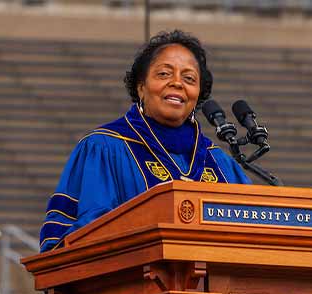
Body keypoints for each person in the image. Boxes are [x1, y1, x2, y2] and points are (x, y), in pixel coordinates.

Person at [39, 30, 252, 252]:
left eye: (189, 79)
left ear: (197, 94)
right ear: (141, 87)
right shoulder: (105, 148)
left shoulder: (220, 163)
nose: (177, 83)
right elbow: (78, 237)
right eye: (164, 74)